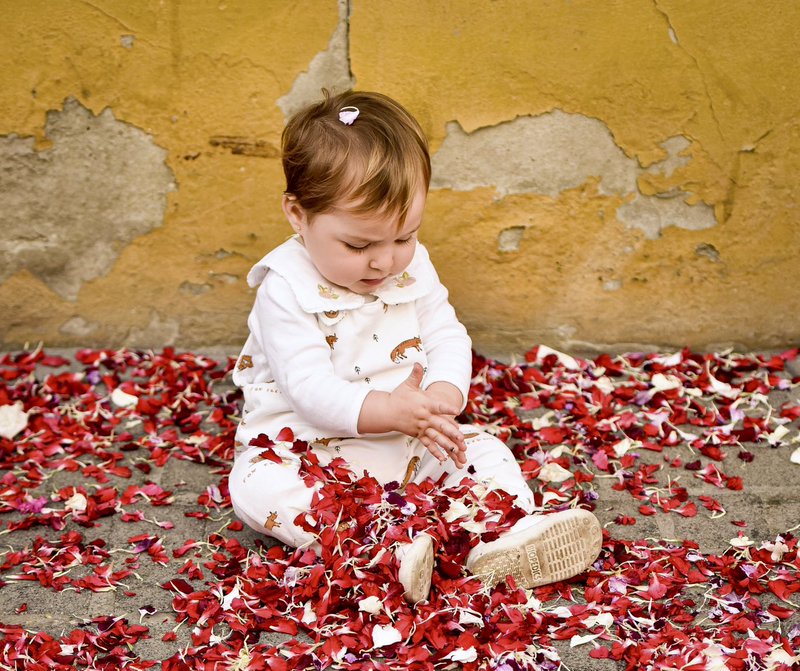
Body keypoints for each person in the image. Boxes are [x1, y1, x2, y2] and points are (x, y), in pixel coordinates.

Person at [229, 90, 602, 602]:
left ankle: (501, 534)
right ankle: (382, 545)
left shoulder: (412, 265)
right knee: (256, 488)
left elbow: (446, 331)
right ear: (298, 214)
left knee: (483, 451)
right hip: (306, 450)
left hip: (407, 442)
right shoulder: (285, 288)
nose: (384, 262)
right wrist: (388, 410)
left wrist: (446, 392)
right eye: (359, 246)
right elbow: (307, 386)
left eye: (404, 237)